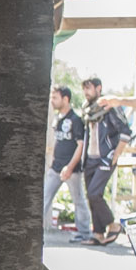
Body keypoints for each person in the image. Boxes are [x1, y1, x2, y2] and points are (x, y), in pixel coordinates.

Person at [78, 78, 131, 247]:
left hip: (105, 157)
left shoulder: (110, 107)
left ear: (98, 88)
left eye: (89, 88)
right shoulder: (87, 110)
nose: (86, 92)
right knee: (92, 196)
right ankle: (98, 234)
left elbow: (125, 132)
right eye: (84, 88)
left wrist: (115, 155)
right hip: (89, 158)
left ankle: (113, 225)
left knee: (94, 193)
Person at [42, 86, 87, 239]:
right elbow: (57, 141)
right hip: (56, 168)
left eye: (55, 98)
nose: (52, 101)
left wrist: (70, 167)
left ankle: (84, 232)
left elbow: (80, 145)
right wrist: (53, 160)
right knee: (44, 197)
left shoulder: (76, 120)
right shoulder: (59, 120)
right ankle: (34, 231)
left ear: (65, 99)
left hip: (72, 170)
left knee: (78, 200)